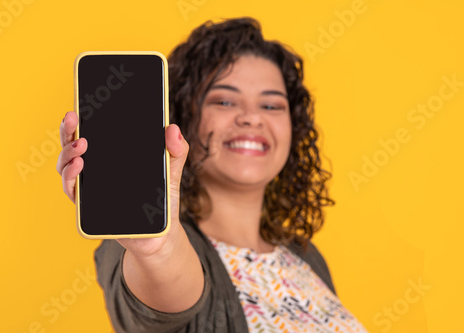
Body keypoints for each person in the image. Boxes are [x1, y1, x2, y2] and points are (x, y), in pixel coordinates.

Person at [57, 17, 368, 333]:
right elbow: (162, 298)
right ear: (183, 119)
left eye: (272, 106)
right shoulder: (139, 242)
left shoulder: (305, 256)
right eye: (225, 100)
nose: (251, 118)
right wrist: (156, 247)